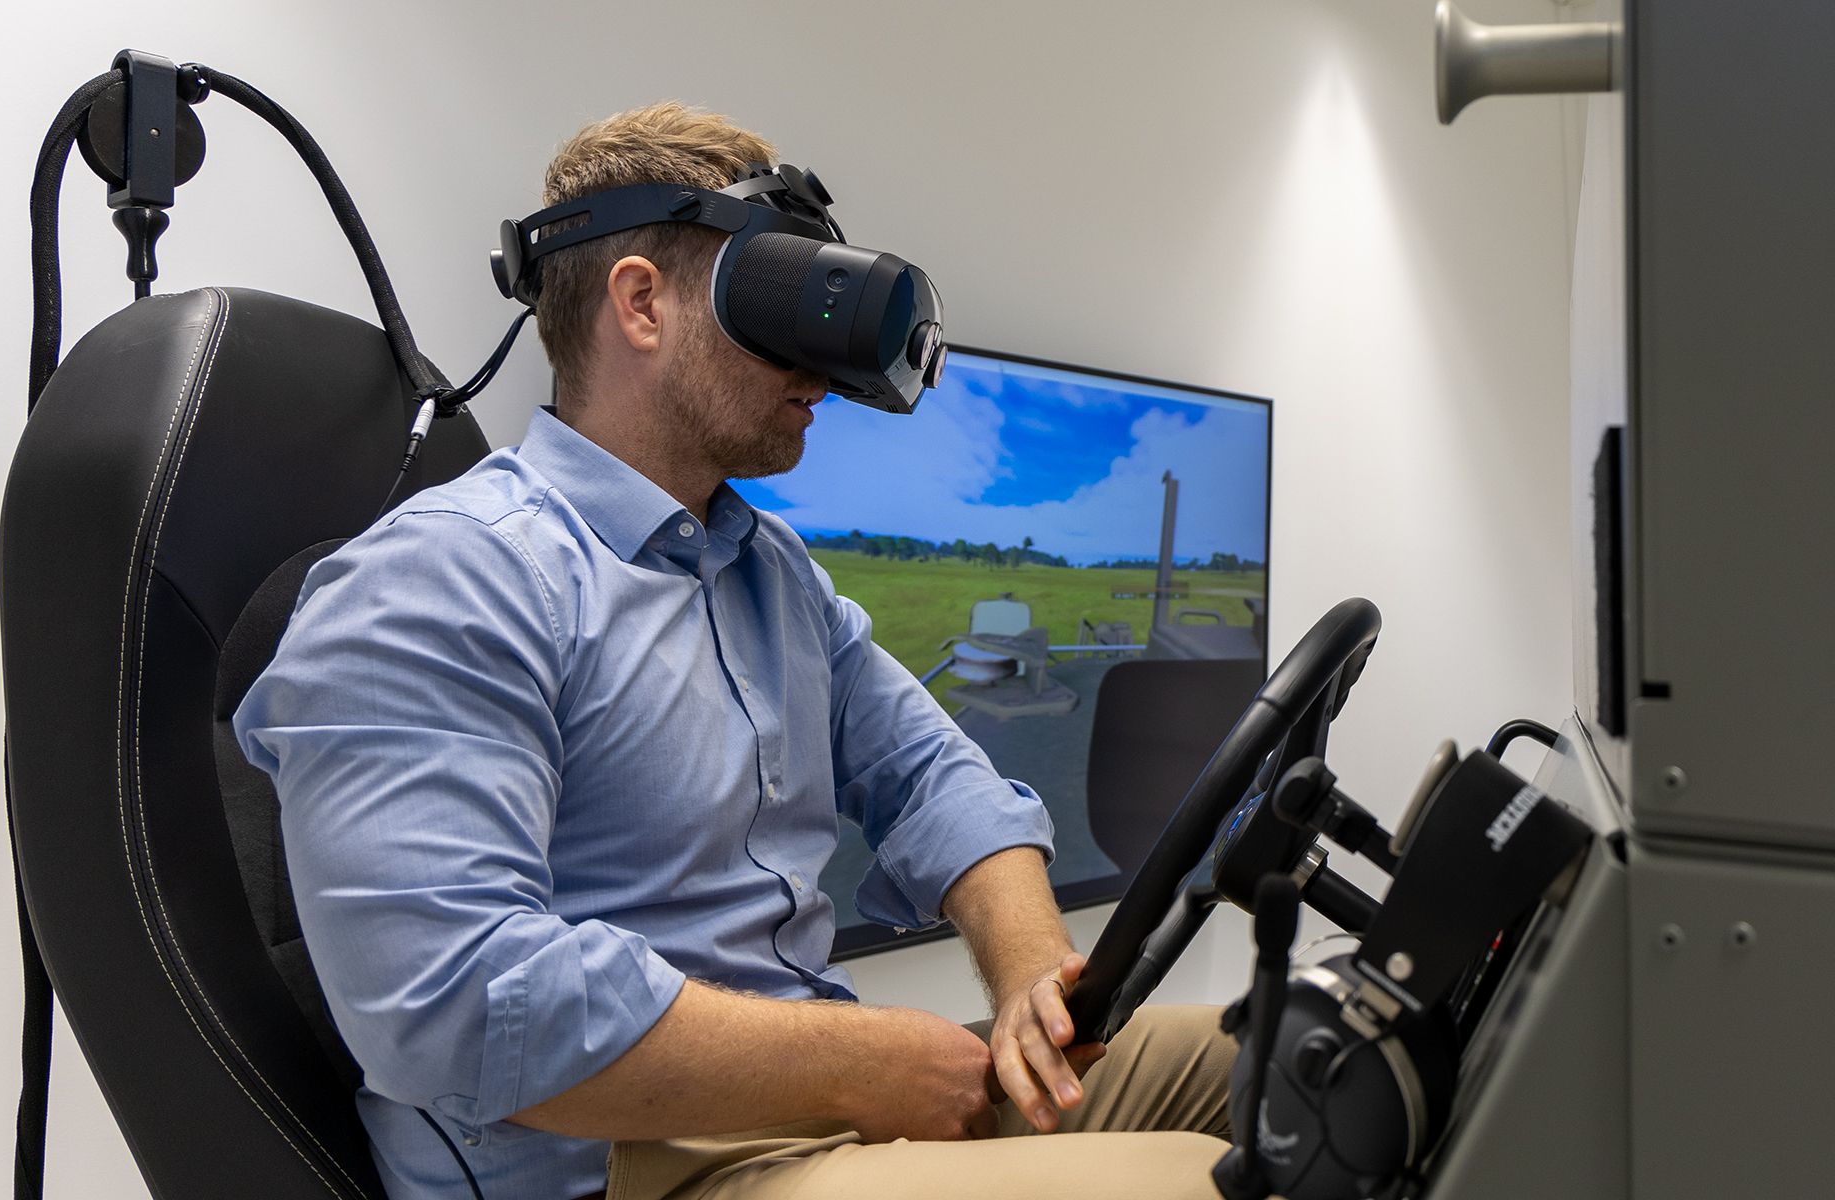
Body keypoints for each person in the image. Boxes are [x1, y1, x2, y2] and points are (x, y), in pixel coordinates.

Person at [235, 102, 1235, 1200]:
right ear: (642, 304)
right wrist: (863, 1066)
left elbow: (933, 779)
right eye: (771, 302)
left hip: (812, 1120)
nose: (816, 369)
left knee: (1290, 1065)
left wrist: (1033, 975)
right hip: (629, 1173)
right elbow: (457, 1006)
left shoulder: (773, 575)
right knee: (1204, 1182)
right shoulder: (447, 577)